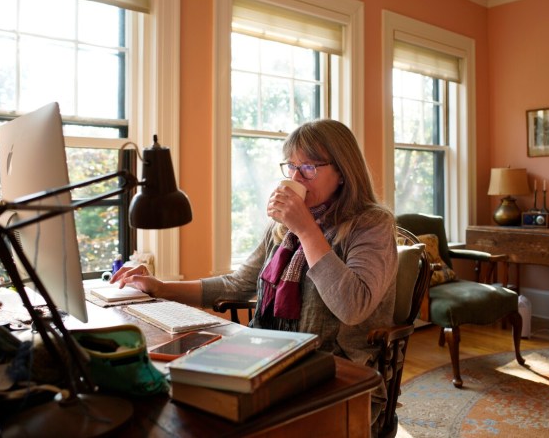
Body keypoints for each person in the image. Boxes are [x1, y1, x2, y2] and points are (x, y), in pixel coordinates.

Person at [112, 119, 398, 430]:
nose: (295, 177)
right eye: (291, 166)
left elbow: (352, 306)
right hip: (272, 357)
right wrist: (161, 287)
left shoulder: (371, 224)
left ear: (342, 172)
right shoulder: (283, 229)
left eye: (309, 168)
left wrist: (305, 230)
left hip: (339, 377)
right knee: (180, 402)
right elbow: (237, 284)